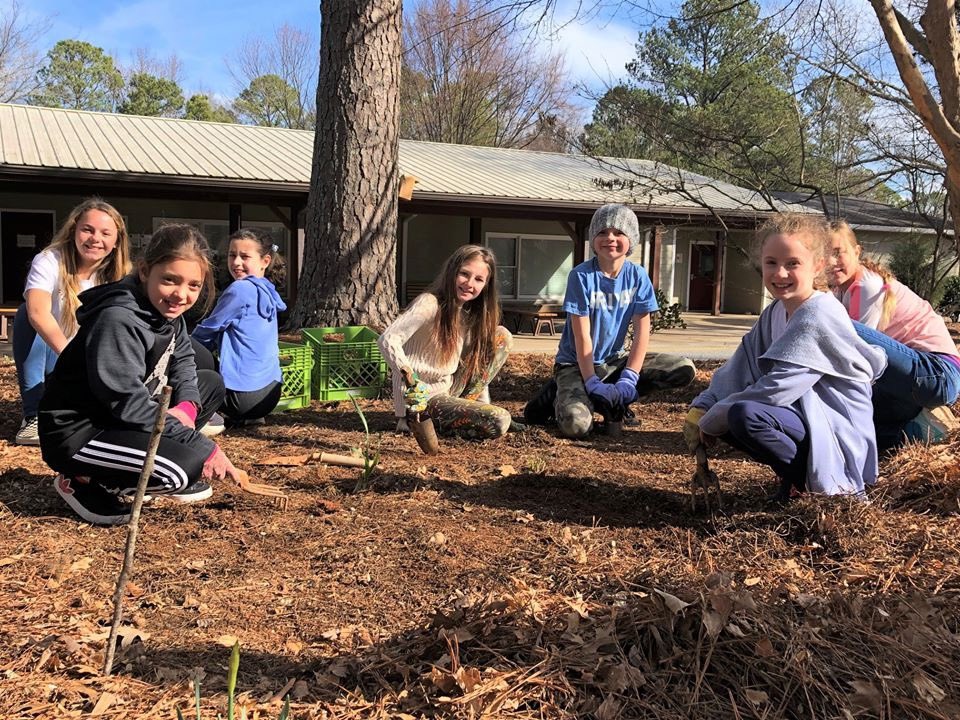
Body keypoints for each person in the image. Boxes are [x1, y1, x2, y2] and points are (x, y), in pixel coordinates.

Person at [38, 224, 237, 526]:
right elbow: (127, 403)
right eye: (170, 280)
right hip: (83, 433)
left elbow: (183, 359)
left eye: (193, 285)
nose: (181, 295)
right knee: (183, 469)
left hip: (123, 418)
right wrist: (203, 447)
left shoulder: (168, 313)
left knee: (211, 384)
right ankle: (83, 480)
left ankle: (133, 465)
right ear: (145, 272)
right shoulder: (118, 319)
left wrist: (185, 409)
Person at [683, 213, 887, 500]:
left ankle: (810, 486)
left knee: (744, 414)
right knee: (733, 414)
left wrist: (713, 417)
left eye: (793, 264)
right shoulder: (775, 312)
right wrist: (703, 406)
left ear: (817, 265)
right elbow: (741, 366)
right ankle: (793, 480)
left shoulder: (818, 314)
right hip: (805, 420)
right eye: (771, 263)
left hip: (835, 432)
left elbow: (777, 389)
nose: (780, 273)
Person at [523, 203, 696, 438]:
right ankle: (558, 392)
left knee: (682, 369)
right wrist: (592, 381)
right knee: (577, 426)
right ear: (593, 239)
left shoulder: (638, 276)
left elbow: (642, 333)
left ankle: (616, 401)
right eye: (602, 232)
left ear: (631, 239)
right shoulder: (581, 276)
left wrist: (629, 378)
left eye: (619, 232)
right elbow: (581, 336)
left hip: (616, 362)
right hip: (576, 365)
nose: (610, 238)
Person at [828, 220, 960, 449]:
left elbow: (857, 356)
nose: (831, 262)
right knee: (866, 435)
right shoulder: (840, 290)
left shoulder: (867, 286)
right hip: (905, 383)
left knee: (835, 325)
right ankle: (921, 430)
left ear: (857, 251)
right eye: (823, 256)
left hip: (938, 372)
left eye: (838, 253)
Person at [12, 199, 131, 446]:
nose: (95, 238)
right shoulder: (49, 260)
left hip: (89, 360)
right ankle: (33, 414)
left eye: (105, 233)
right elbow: (37, 312)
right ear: (74, 230)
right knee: (25, 314)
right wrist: (70, 356)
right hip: (56, 352)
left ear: (116, 240)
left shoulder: (122, 276)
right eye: (88, 229)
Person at [378, 245, 513, 439]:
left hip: (449, 391)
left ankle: (464, 415)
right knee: (500, 419)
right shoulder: (429, 303)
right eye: (464, 274)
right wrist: (410, 379)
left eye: (479, 279)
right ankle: (411, 423)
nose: (469, 283)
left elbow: (477, 369)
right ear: (452, 272)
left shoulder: (467, 314)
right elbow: (387, 340)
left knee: (501, 336)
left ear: (486, 286)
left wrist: (483, 407)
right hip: (422, 400)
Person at [192, 230, 287, 427]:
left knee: (186, 345)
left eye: (244, 257)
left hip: (241, 398)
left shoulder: (240, 289)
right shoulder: (268, 290)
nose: (236, 262)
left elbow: (207, 332)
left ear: (265, 261)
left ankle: (199, 412)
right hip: (270, 395)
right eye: (232, 255)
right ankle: (250, 417)